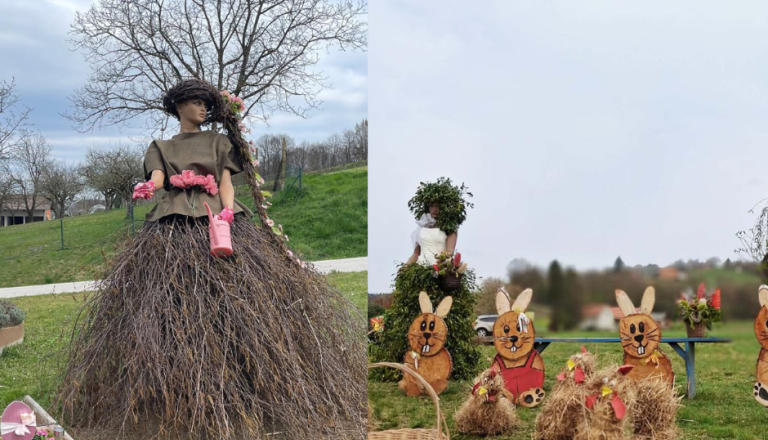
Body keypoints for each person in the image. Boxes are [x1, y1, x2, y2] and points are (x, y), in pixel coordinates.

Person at [56, 79, 366, 440]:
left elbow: (226, 183)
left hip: (216, 219)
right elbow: (158, 178)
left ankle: (241, 373)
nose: (203, 108)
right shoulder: (161, 146)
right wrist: (147, 187)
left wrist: (229, 212)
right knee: (171, 299)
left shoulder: (219, 142)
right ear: (178, 107)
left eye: (206, 103)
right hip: (172, 222)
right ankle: (177, 379)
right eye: (195, 102)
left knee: (235, 296)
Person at [369, 178, 480, 382]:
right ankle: (409, 360)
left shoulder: (450, 227)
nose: (435, 209)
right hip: (420, 272)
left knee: (440, 314)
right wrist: (406, 267)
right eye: (432, 205)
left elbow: (449, 252)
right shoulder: (421, 226)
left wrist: (441, 266)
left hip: (438, 273)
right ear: (427, 206)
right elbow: (417, 253)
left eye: (438, 205)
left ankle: (445, 363)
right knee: (414, 314)